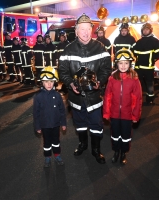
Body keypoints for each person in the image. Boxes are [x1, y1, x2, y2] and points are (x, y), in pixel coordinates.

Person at [58, 13, 111, 164]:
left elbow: (106, 68)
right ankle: (82, 144)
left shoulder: (100, 47)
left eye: (88, 29)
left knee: (96, 125)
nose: (86, 32)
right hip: (76, 98)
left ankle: (96, 149)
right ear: (76, 31)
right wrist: (71, 84)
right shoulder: (68, 50)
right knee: (80, 124)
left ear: (92, 30)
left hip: (94, 97)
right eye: (82, 29)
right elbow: (62, 71)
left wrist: (100, 81)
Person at [103, 48, 142, 165]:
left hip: (127, 115)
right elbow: (107, 96)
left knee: (125, 135)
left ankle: (123, 152)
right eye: (120, 63)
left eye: (126, 63)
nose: (123, 66)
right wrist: (106, 112)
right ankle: (116, 151)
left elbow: (138, 99)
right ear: (116, 64)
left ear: (130, 64)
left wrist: (135, 115)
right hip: (114, 114)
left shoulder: (134, 79)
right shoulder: (112, 78)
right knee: (115, 134)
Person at [33, 66, 67, 168]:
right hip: (45, 125)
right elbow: (36, 113)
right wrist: (37, 126)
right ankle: (47, 157)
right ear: (42, 82)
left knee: (56, 142)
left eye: (51, 81)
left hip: (56, 125)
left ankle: (57, 155)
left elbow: (62, 111)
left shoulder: (57, 95)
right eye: (46, 81)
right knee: (47, 142)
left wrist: (63, 123)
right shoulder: (38, 97)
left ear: (55, 82)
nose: (49, 84)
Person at [133, 23, 159, 105]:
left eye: (147, 29)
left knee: (149, 84)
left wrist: (151, 61)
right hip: (138, 67)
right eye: (144, 30)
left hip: (149, 67)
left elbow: (158, 55)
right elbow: (134, 53)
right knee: (137, 84)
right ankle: (137, 99)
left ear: (150, 30)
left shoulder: (155, 41)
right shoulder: (138, 42)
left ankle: (150, 99)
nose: (145, 31)